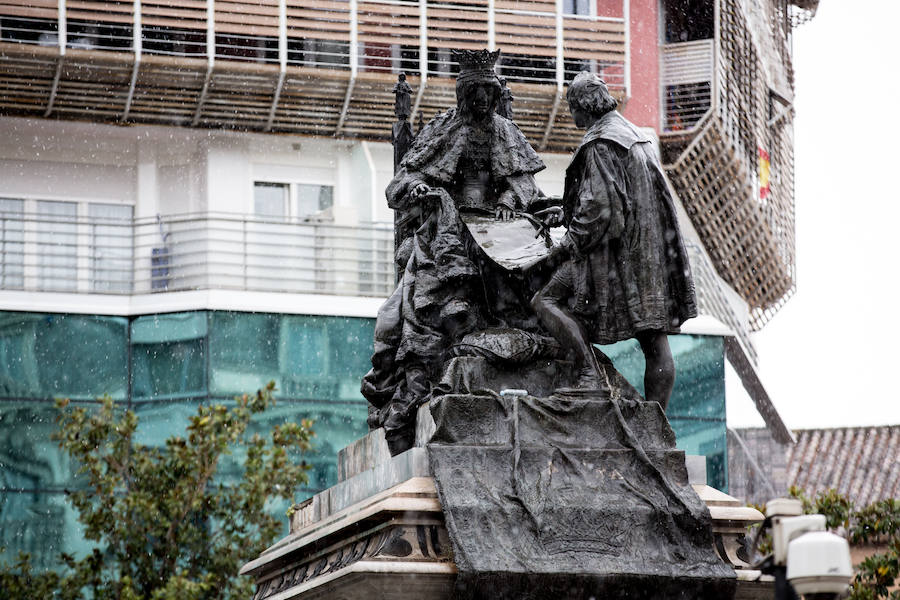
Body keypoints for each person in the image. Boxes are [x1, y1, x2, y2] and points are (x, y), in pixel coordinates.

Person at [363, 49, 552, 454]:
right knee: (418, 300)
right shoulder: (443, 129)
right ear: (463, 94)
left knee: (537, 265)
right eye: (475, 92)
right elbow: (400, 183)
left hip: (500, 226)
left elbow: (526, 185)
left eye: (488, 91)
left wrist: (510, 199)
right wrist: (420, 188)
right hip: (447, 227)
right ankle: (435, 354)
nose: (482, 100)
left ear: (495, 93)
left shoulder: (505, 132)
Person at [531, 72, 697, 411]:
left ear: (583, 106)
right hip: (650, 253)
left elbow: (600, 210)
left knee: (545, 301)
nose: (571, 115)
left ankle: (588, 376)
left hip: (618, 257)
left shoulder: (600, 142)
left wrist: (563, 248)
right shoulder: (634, 135)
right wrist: (565, 211)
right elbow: (619, 194)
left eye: (572, 108)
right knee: (654, 340)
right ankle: (656, 421)